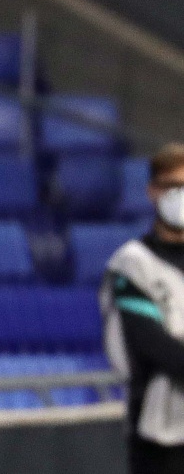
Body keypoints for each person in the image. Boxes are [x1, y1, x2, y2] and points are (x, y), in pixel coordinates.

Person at [101, 142, 184, 474]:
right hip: (158, 434)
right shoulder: (132, 264)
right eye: (173, 186)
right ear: (153, 191)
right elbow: (154, 347)